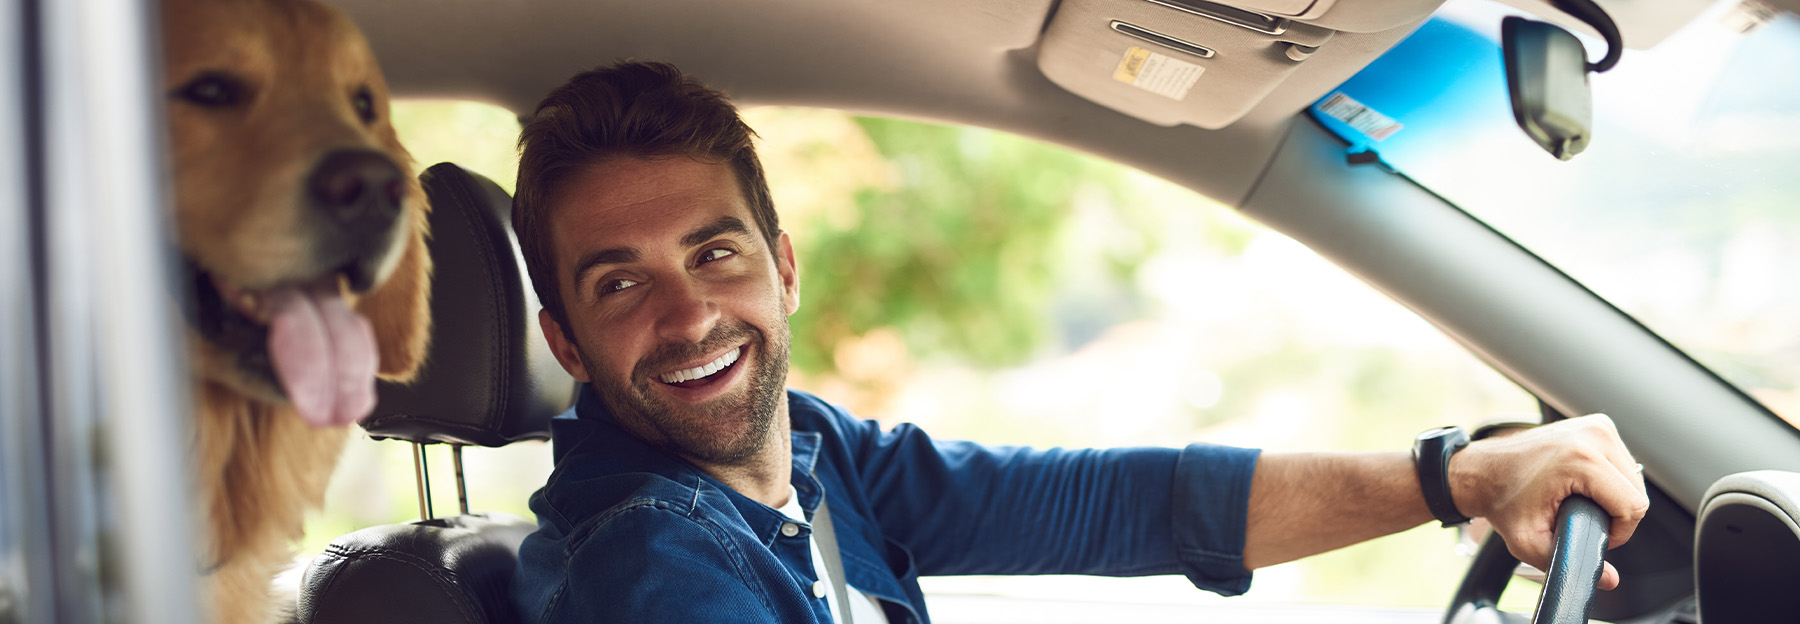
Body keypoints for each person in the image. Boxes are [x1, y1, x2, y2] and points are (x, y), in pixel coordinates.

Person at [507, 61, 1649, 624]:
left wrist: (1455, 475)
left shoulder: (807, 456)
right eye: (622, 284)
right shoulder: (647, 563)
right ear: (566, 339)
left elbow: (1115, 504)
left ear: (784, 267)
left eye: (716, 255)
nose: (691, 315)